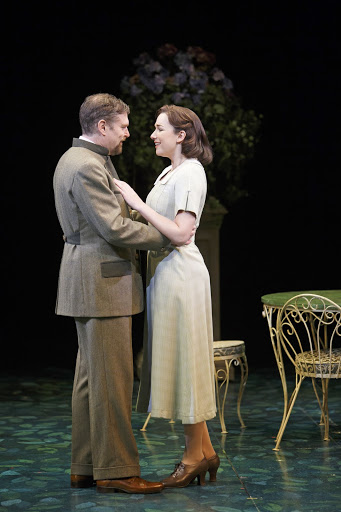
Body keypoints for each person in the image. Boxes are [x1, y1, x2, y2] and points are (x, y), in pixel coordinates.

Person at [53, 93, 191, 494]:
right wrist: (167, 238)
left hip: (91, 280)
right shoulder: (86, 166)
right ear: (102, 127)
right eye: (124, 126)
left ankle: (86, 464)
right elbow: (114, 228)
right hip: (102, 283)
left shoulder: (79, 160)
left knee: (90, 380)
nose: (130, 133)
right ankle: (116, 471)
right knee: (112, 380)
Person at [114, 104, 220, 488]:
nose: (153, 134)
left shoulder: (191, 172)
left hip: (181, 274)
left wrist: (137, 203)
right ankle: (205, 453)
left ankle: (193, 457)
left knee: (186, 362)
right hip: (163, 274)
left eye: (159, 128)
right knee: (179, 362)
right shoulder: (168, 172)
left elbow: (181, 233)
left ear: (182, 134)